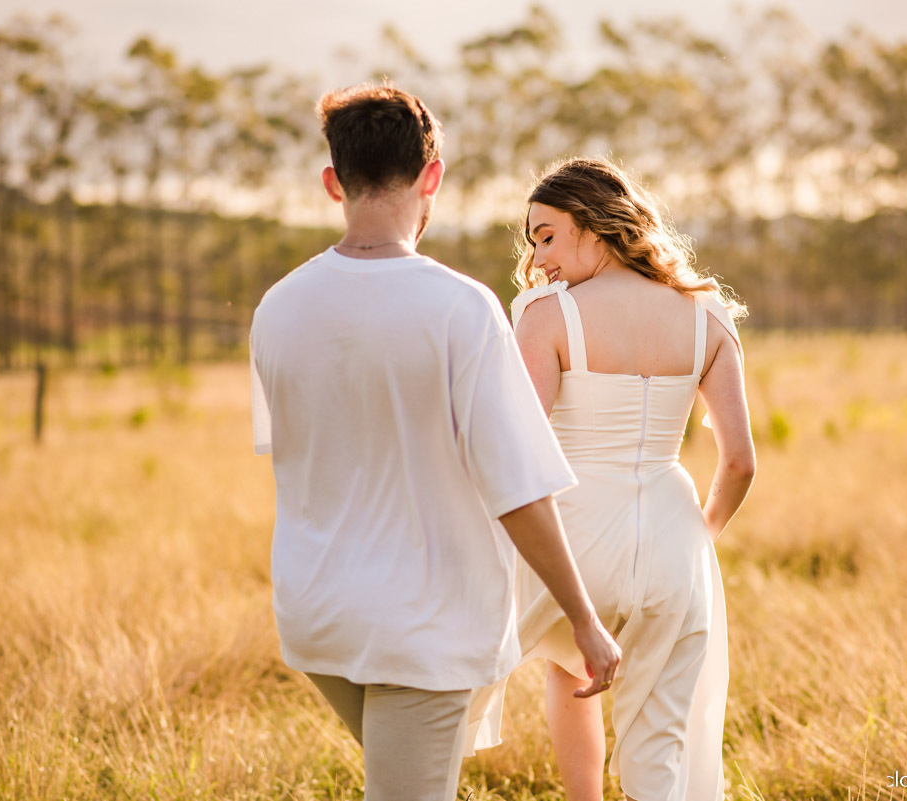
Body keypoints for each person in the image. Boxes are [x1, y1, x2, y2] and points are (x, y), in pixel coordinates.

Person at [249, 87, 620, 801]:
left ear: (333, 182)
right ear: (432, 177)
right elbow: (517, 487)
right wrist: (584, 620)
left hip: (318, 620)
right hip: (423, 627)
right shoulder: (461, 307)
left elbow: (296, 454)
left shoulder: (277, 307)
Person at [465, 158, 756, 801]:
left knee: (561, 667)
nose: (539, 258)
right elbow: (739, 463)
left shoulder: (546, 314)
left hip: (571, 536)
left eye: (547, 236)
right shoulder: (708, 316)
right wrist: (695, 536)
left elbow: (519, 444)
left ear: (595, 229)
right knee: (659, 735)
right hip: (672, 536)